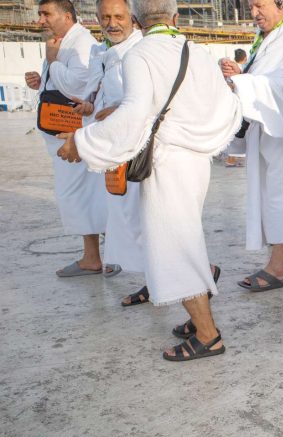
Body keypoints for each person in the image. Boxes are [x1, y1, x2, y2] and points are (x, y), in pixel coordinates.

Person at [56, 0, 242, 361]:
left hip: (168, 165)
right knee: (187, 239)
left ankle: (208, 335)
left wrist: (82, 142)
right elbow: (227, 105)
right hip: (196, 163)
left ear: (138, 21)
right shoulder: (199, 53)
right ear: (176, 18)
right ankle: (199, 318)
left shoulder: (139, 55)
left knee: (175, 246)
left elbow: (136, 116)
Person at [221, 0, 283, 291]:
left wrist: (246, 82)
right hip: (273, 128)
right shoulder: (272, 37)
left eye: (259, 5)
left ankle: (276, 267)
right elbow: (270, 78)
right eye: (250, 7)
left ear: (280, 4)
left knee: (279, 198)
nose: (254, 14)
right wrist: (242, 75)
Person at [24, 0, 111, 278]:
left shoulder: (80, 44)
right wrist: (43, 79)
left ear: (67, 15)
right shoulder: (62, 42)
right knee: (79, 196)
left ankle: (97, 257)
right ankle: (93, 256)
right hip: (62, 132)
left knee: (83, 195)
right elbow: (63, 81)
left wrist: (52, 62)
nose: (41, 20)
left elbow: (78, 85)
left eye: (46, 14)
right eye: (40, 14)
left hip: (75, 133)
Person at [70, 0, 148, 305]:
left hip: (138, 151)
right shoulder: (104, 51)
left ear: (132, 19)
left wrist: (118, 109)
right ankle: (153, 281)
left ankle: (197, 274)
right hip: (115, 150)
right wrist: (92, 107)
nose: (111, 23)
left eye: (118, 17)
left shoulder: (141, 51)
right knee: (127, 220)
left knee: (143, 220)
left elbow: (149, 99)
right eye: (105, 17)